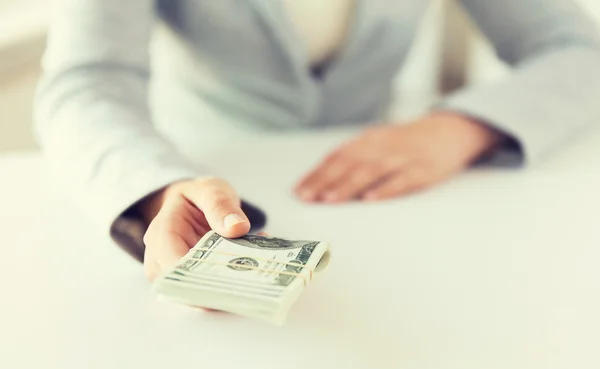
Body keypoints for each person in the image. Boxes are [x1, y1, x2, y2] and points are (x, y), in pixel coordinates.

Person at [34, 0, 600, 280]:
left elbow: (580, 51)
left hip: (393, 203)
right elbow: (85, 83)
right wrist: (156, 189)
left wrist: (463, 128)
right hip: (203, 183)